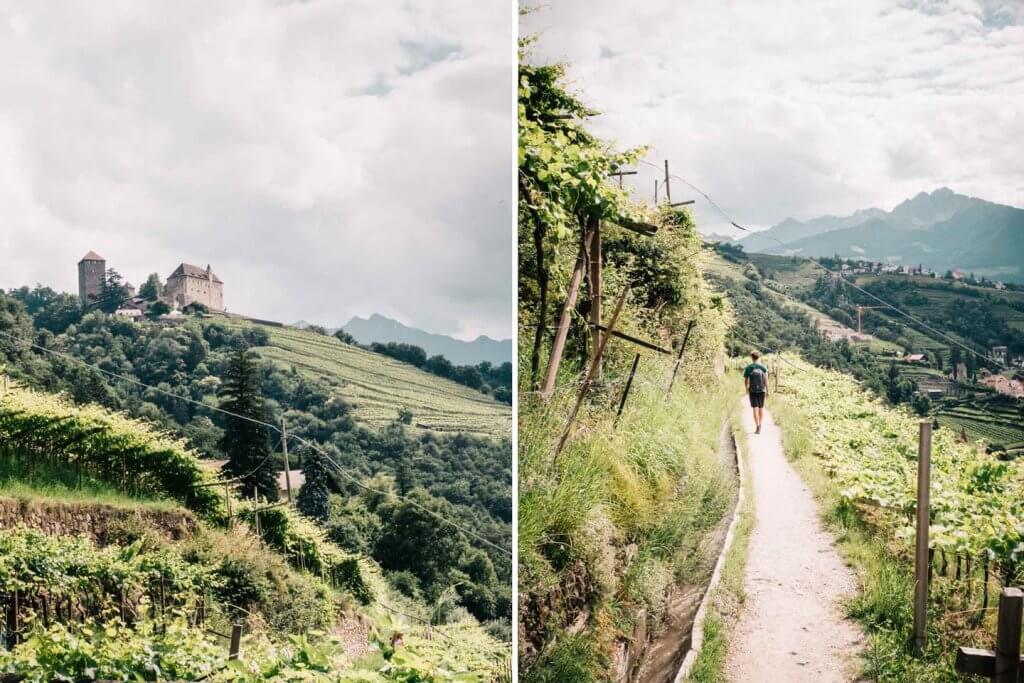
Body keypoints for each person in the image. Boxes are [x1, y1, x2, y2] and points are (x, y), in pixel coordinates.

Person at [743, 351, 769, 434]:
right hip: (762, 390)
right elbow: (766, 381)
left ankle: (757, 426)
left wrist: (747, 389)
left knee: (755, 409)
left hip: (752, 390)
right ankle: (760, 424)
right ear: (759, 357)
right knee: (761, 408)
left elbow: (746, 380)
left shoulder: (748, 368)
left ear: (752, 357)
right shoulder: (763, 367)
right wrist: (768, 391)